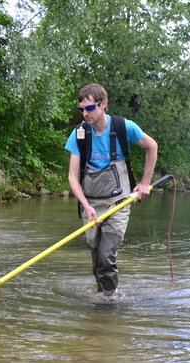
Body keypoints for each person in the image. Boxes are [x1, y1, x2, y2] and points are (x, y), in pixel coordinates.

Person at [65, 83, 158, 301]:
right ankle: (103, 294)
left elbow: (152, 146)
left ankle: (109, 302)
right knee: (97, 257)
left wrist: (145, 183)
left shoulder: (123, 126)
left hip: (119, 202)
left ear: (103, 104)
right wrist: (86, 206)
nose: (85, 113)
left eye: (89, 108)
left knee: (107, 254)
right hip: (90, 205)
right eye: (81, 109)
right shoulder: (79, 134)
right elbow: (72, 176)